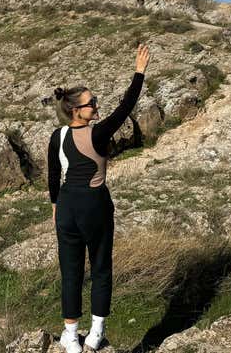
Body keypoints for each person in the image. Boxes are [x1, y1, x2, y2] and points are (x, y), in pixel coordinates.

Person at [47, 43, 151, 352]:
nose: (97, 107)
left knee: (71, 272)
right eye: (92, 103)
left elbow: (54, 176)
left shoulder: (57, 136)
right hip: (95, 205)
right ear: (76, 110)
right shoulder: (98, 133)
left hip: (66, 206)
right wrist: (139, 72)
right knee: (101, 267)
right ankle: (95, 333)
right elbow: (126, 106)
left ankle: (70, 336)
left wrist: (55, 206)